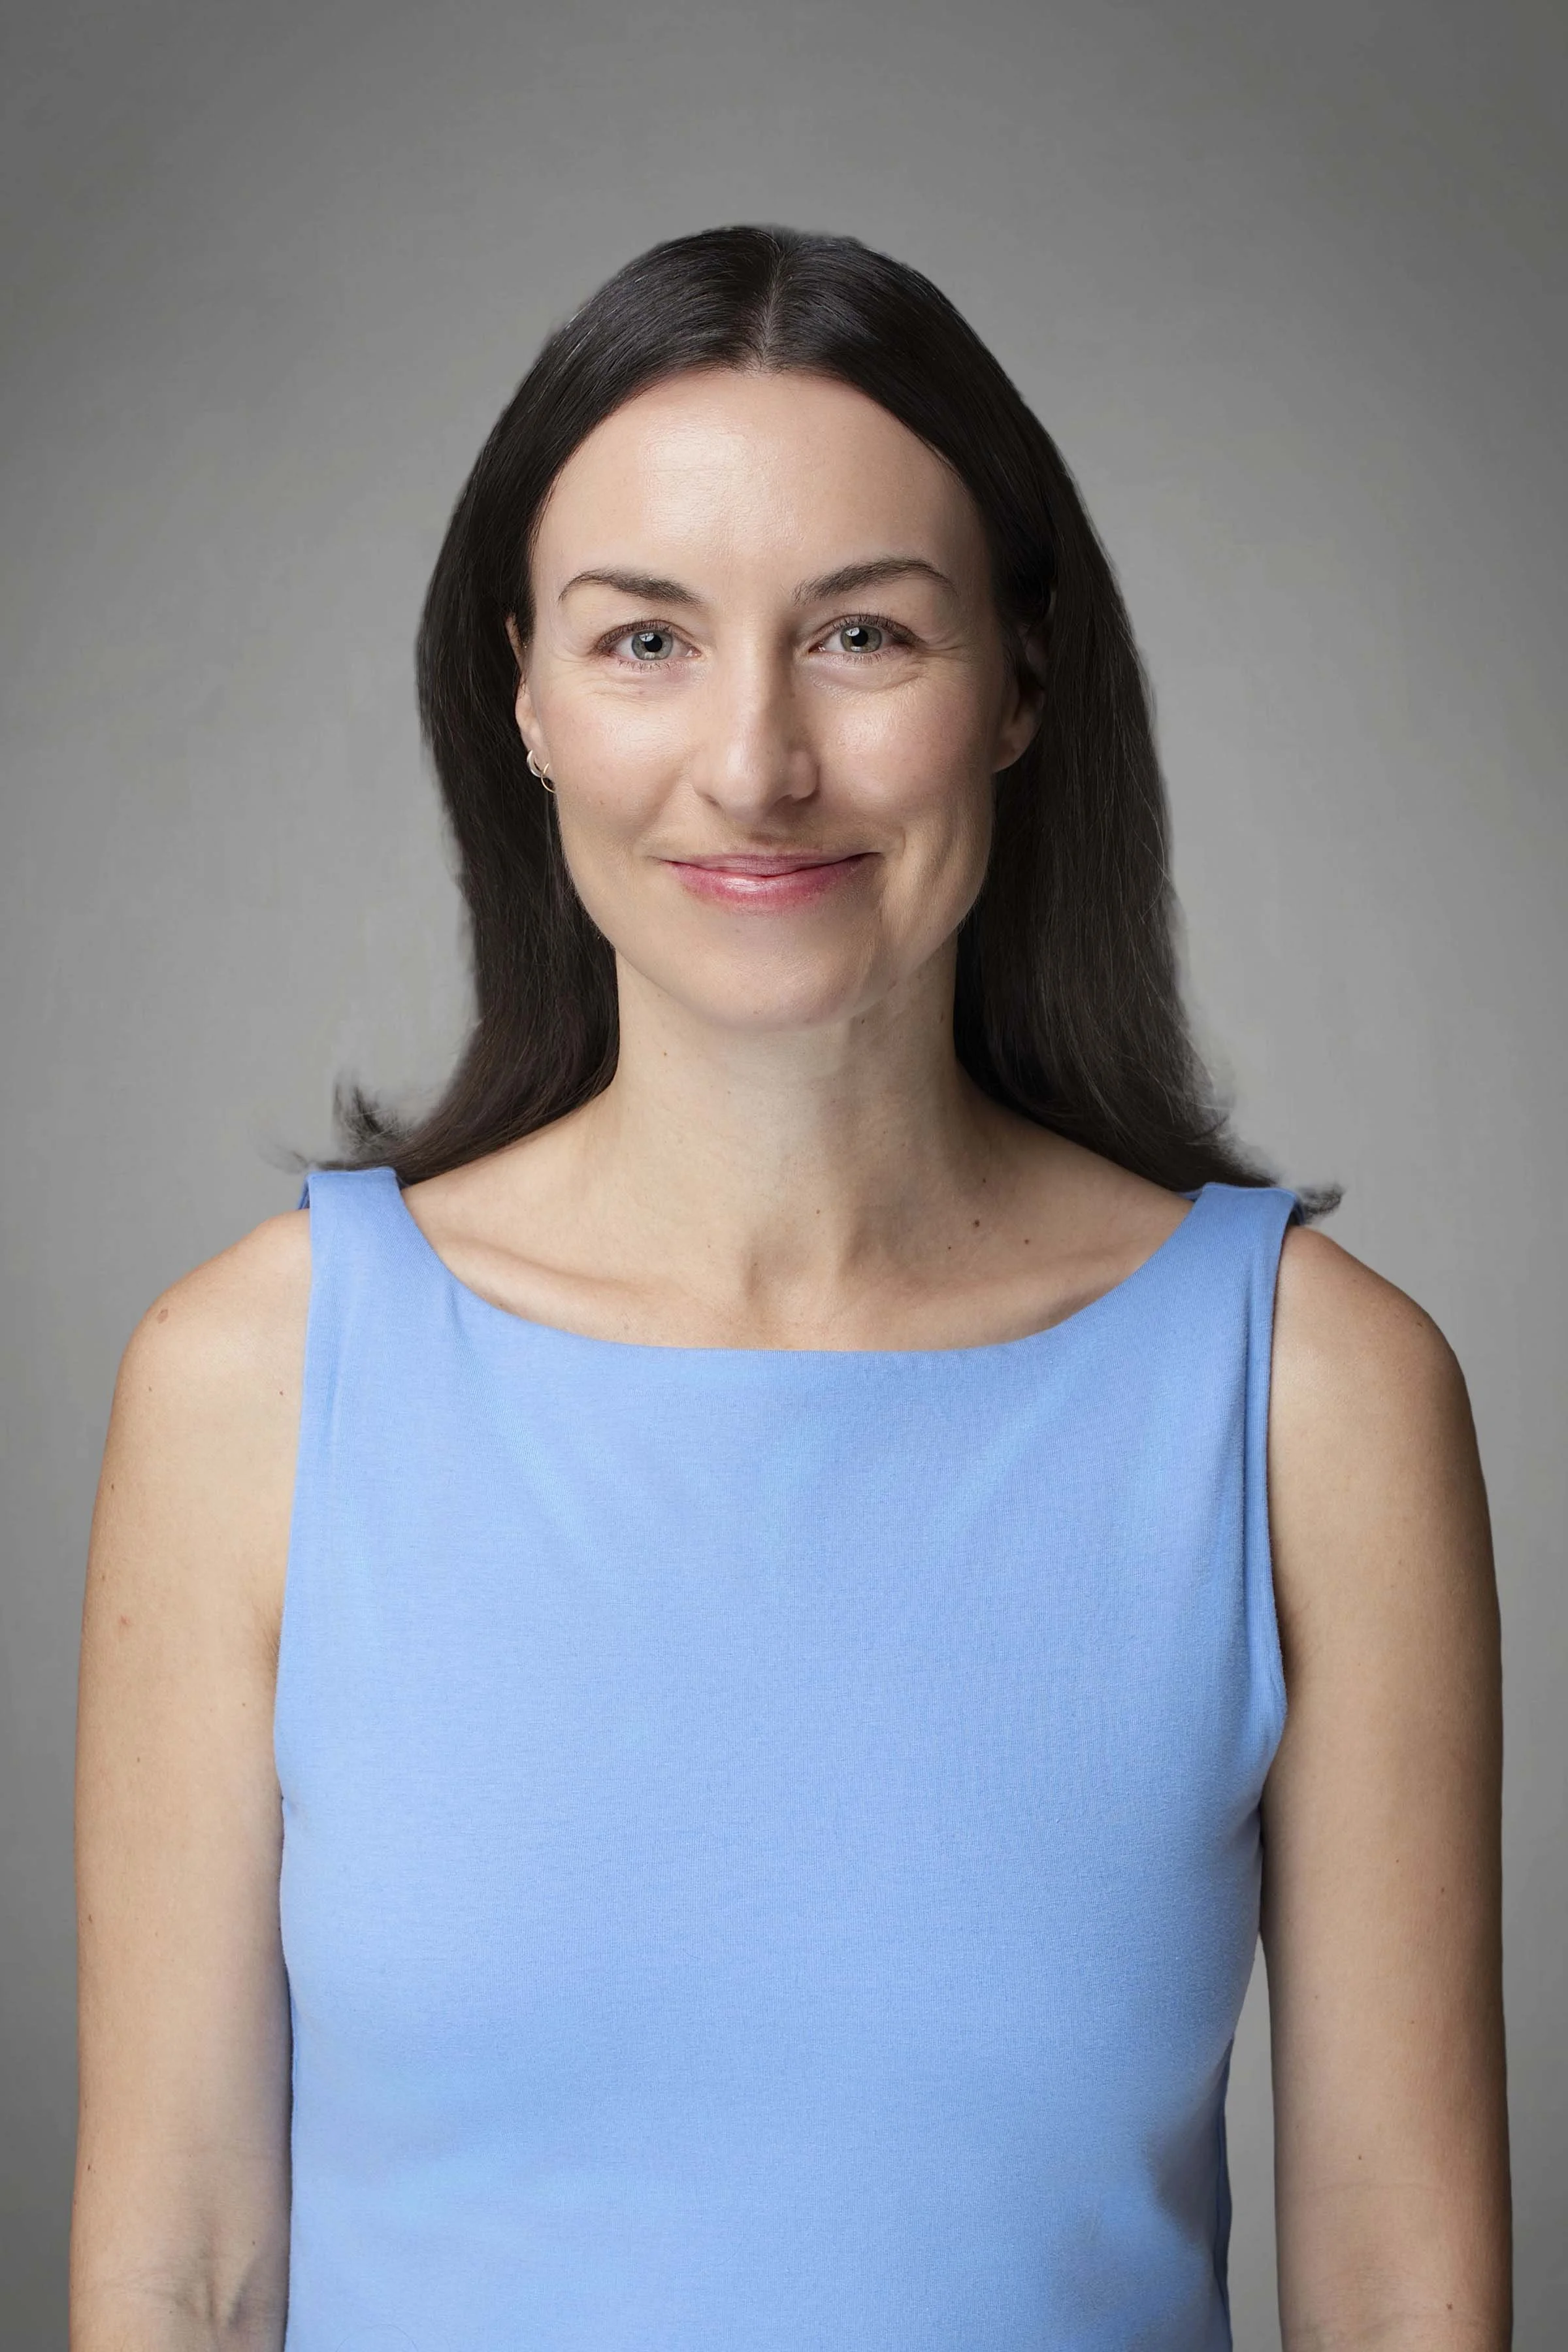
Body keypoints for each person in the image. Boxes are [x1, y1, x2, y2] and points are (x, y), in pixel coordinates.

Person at [71, 227, 1510, 2351]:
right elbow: (178, 2270)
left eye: (860, 634)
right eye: (645, 639)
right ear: (526, 698)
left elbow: (1400, 2293)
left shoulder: (1314, 1398)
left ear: (1021, 686)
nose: (755, 764)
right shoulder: (251, 1380)